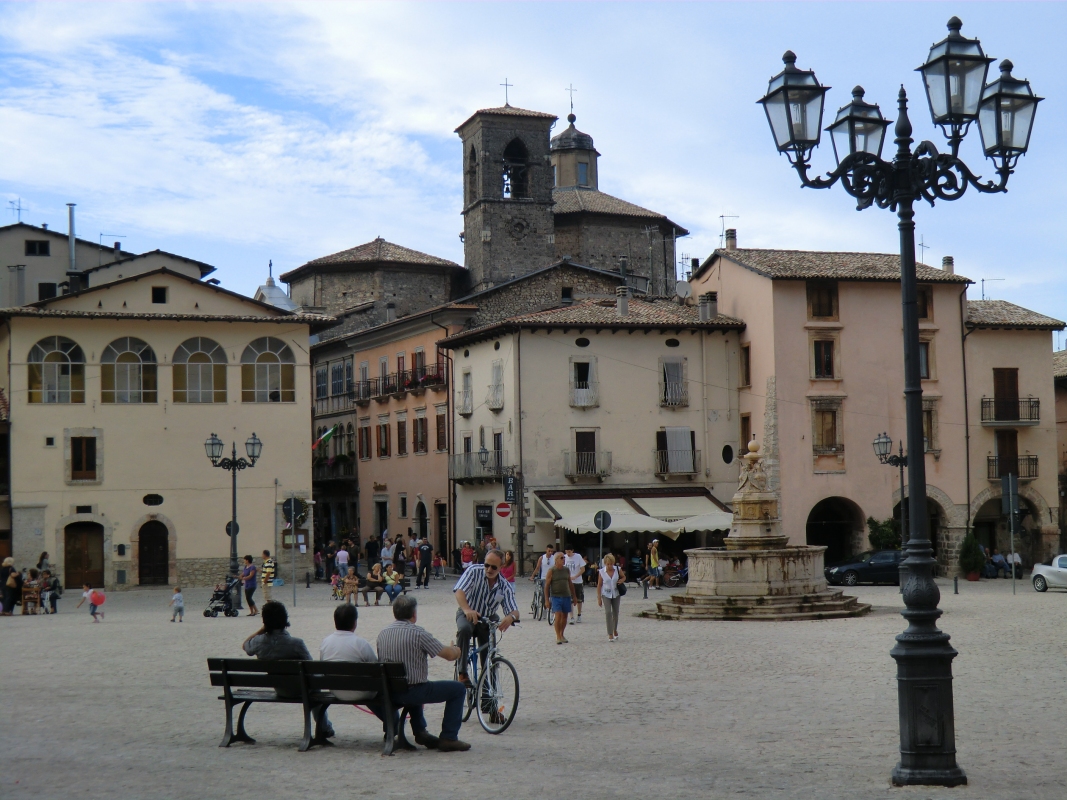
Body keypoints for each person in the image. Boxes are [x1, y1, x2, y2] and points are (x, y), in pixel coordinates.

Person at [376, 594, 470, 752]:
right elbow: (448, 655)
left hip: (389, 692)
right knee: (457, 689)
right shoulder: (418, 634)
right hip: (413, 692)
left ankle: (421, 731)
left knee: (411, 680)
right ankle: (449, 737)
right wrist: (456, 650)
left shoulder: (383, 634)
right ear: (414, 614)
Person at [453, 548, 519, 684]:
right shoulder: (473, 571)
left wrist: (510, 617)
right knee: (464, 630)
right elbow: (459, 591)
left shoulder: (504, 586)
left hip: (487, 618)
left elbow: (515, 610)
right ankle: (462, 672)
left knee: (489, 657)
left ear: (501, 567)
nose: (489, 569)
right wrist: (466, 609)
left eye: (493, 567)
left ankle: (489, 694)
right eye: (486, 565)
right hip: (467, 613)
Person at [319, 603, 378, 702]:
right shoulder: (361, 644)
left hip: (336, 691)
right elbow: (376, 669)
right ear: (355, 623)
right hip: (362, 692)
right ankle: (391, 718)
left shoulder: (325, 642)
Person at [545, 552, 577, 644]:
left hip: (566, 595)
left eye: (564, 558)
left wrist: (574, 596)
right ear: (556, 560)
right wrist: (547, 599)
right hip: (556, 596)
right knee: (558, 616)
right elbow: (547, 586)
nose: (563, 559)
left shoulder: (566, 570)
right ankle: (558, 636)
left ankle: (562, 634)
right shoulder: (552, 570)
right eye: (561, 558)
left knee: (565, 616)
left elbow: (570, 583)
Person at [597, 554, 625, 642]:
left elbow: (624, 576)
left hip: (616, 593)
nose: (609, 566)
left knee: (615, 613)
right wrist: (599, 598)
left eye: (611, 564)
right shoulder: (602, 572)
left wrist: (622, 580)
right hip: (606, 594)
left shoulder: (617, 569)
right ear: (605, 563)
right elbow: (599, 585)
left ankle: (615, 629)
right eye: (608, 564)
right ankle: (610, 633)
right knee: (608, 612)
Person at [564, 546, 587, 623]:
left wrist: (575, 576)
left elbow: (583, 569)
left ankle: (579, 614)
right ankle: (571, 617)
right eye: (567, 552)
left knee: (579, 599)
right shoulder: (564, 557)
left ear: (572, 551)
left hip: (577, 581)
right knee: (569, 599)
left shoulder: (578, 556)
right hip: (568, 581)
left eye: (569, 552)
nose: (568, 554)